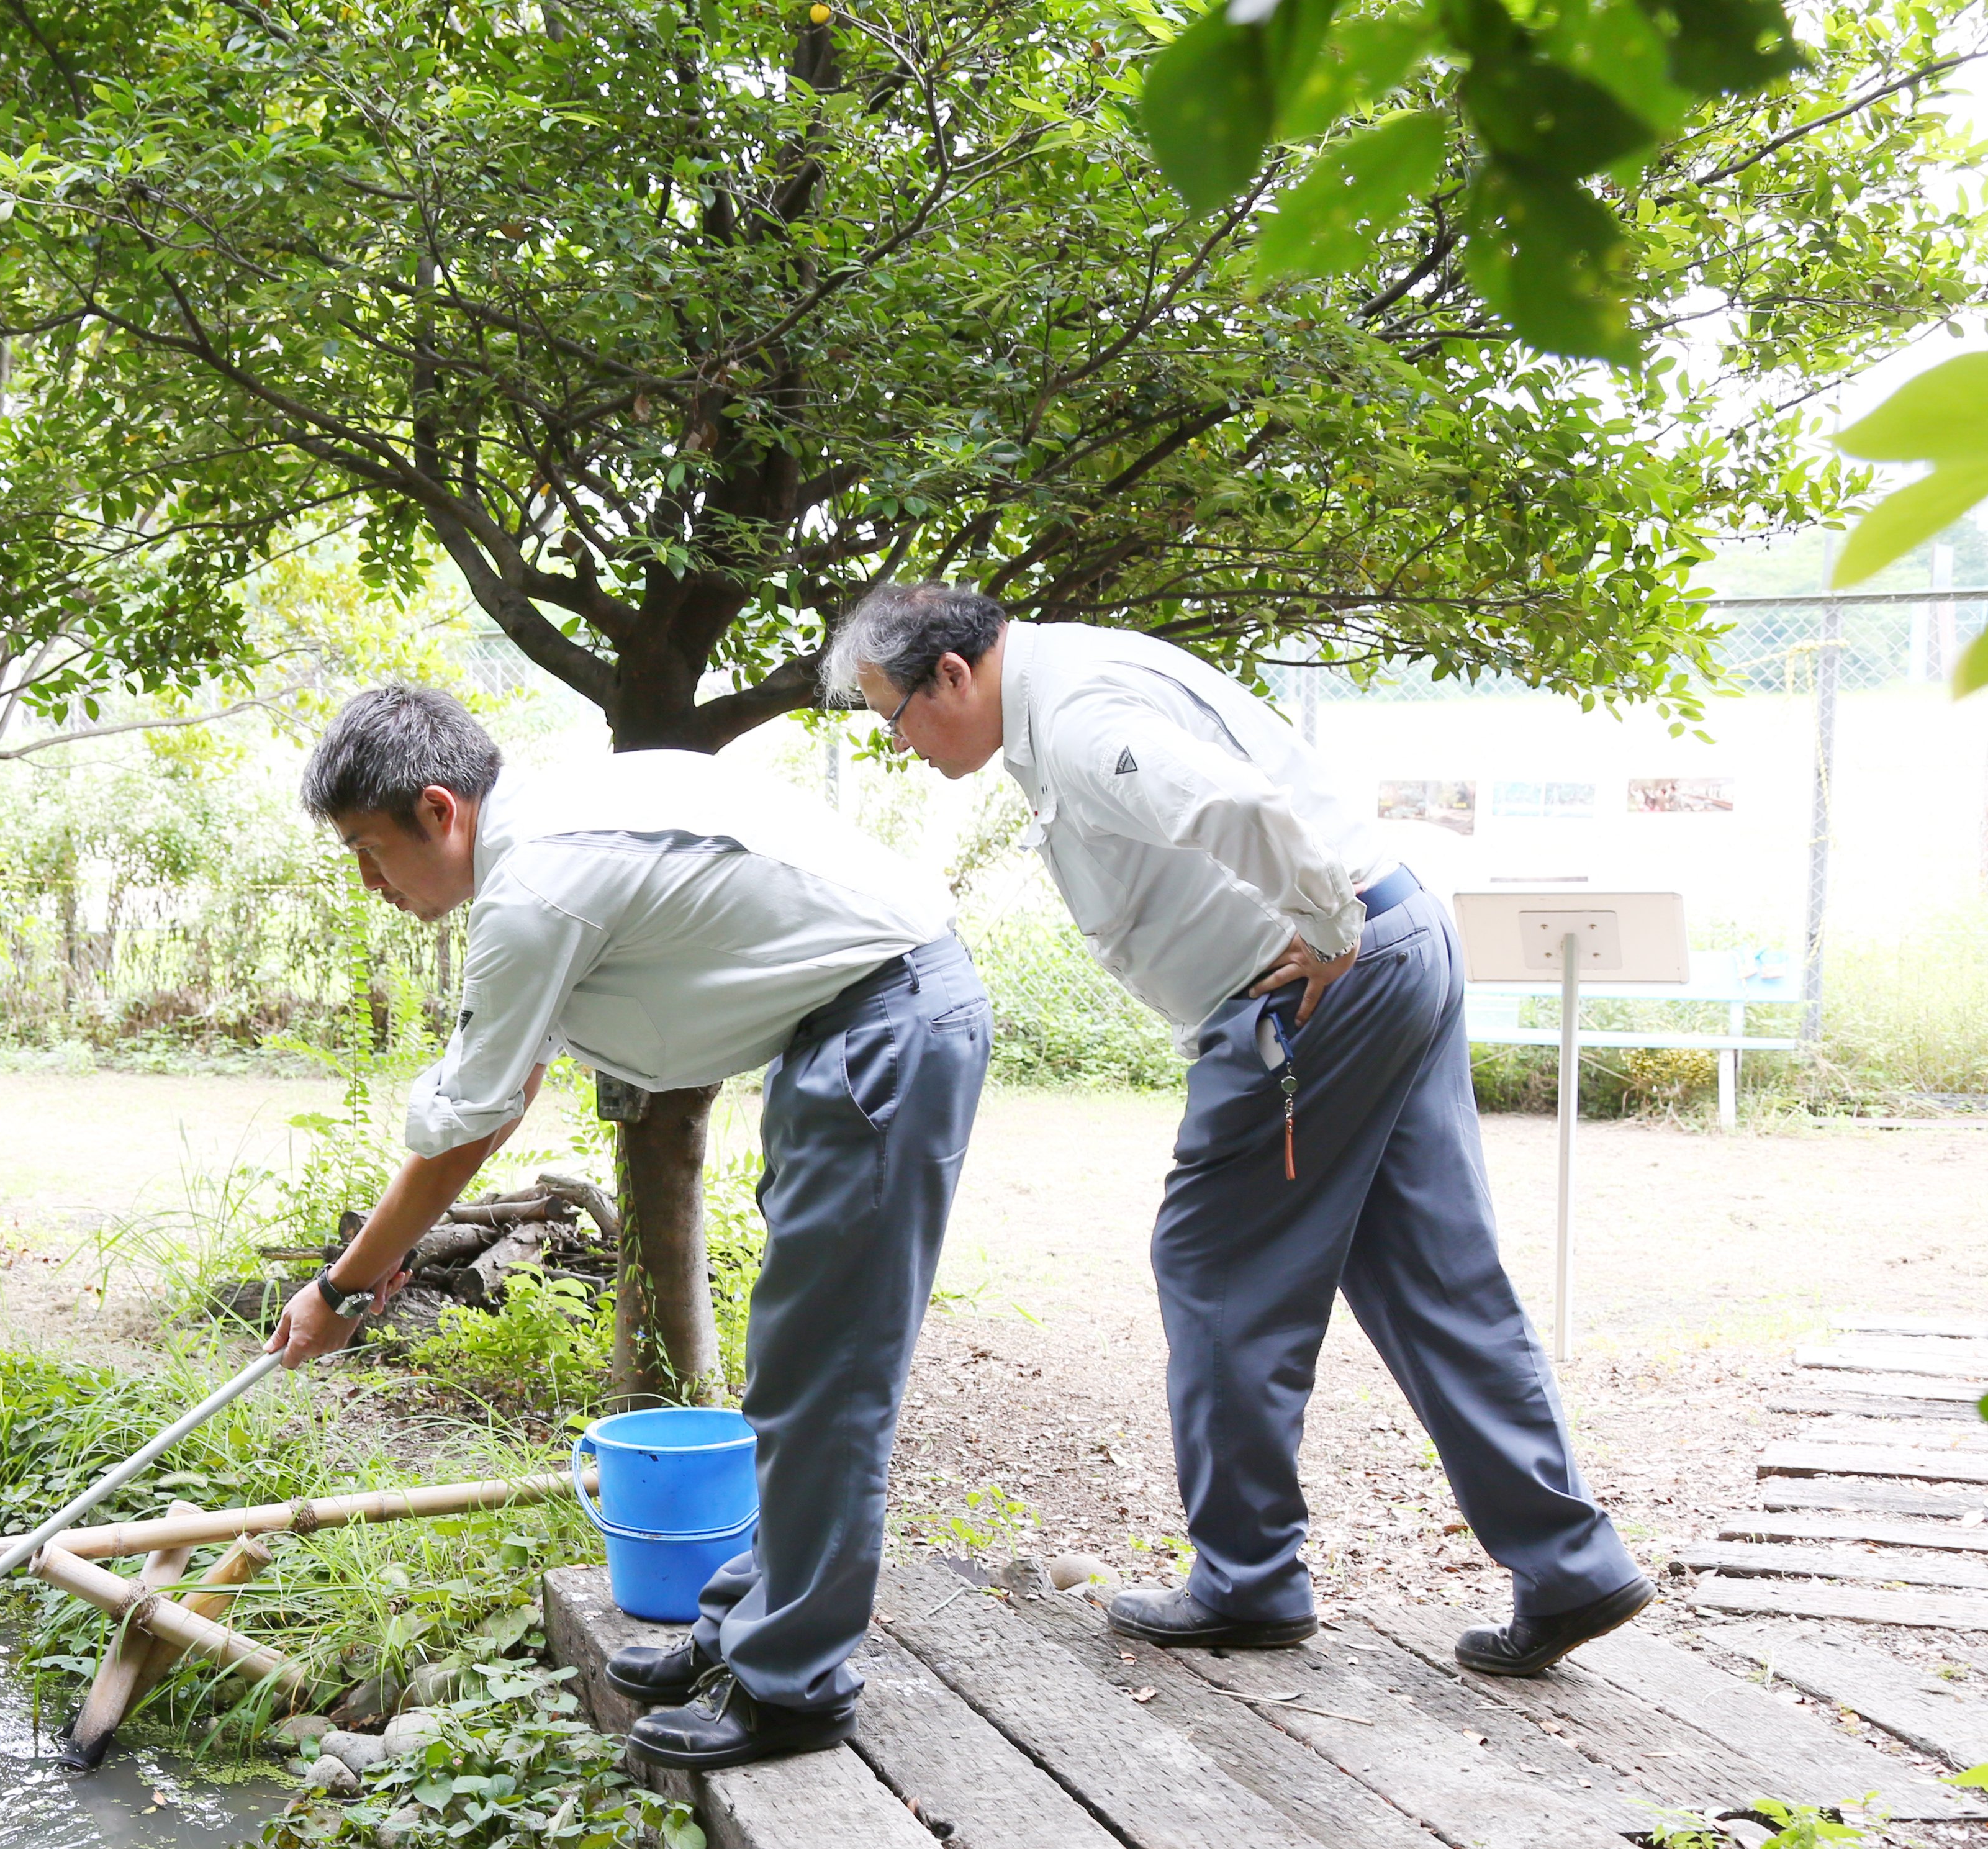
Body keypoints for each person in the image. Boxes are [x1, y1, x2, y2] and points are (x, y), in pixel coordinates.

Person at [822, 584, 1648, 1674]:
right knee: (1434, 1274)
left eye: (892, 715)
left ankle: (1249, 1579)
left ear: (954, 677)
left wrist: (1324, 921)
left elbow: (1230, 806)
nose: (898, 743)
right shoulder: (1075, 671)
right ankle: (1571, 1564)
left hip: (1323, 983)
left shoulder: (1075, 720)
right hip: (1399, 939)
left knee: (1213, 1263)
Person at [268, 685, 987, 1769]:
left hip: (887, 1023)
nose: (372, 887)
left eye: (371, 852)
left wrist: (344, 1287)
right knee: (794, 1362)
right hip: (850, 1027)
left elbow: (474, 1125)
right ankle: (742, 1628)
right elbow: (511, 1079)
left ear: (436, 811)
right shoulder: (551, 836)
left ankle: (793, 1686)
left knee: (827, 1374)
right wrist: (367, 1271)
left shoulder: (536, 888)